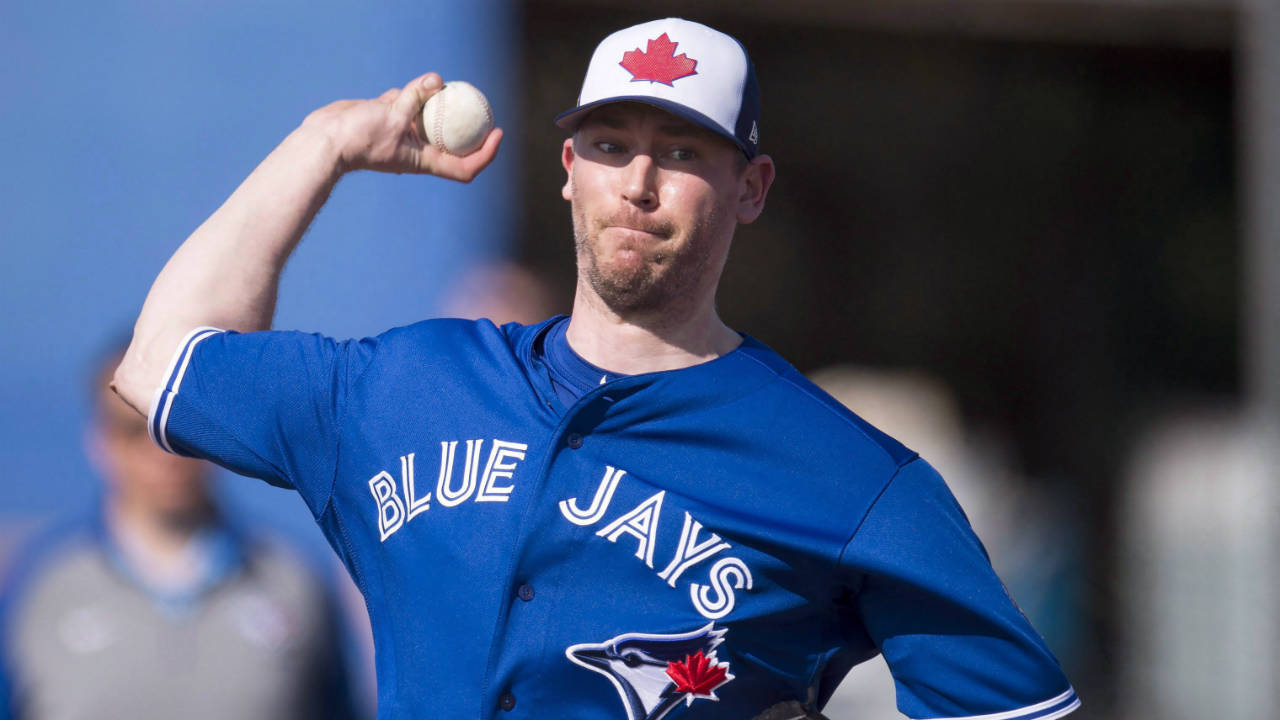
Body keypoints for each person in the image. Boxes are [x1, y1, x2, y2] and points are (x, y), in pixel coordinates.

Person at [111, 17, 1078, 720]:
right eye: (611, 145)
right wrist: (327, 145)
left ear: (751, 186)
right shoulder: (404, 386)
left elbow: (1016, 710)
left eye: (682, 150)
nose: (640, 183)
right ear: (570, 167)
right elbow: (162, 366)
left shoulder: (854, 478)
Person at [0, 347, 360, 720]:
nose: (162, 453)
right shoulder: (41, 583)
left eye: (180, 430)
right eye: (134, 430)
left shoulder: (293, 579)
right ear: (100, 441)